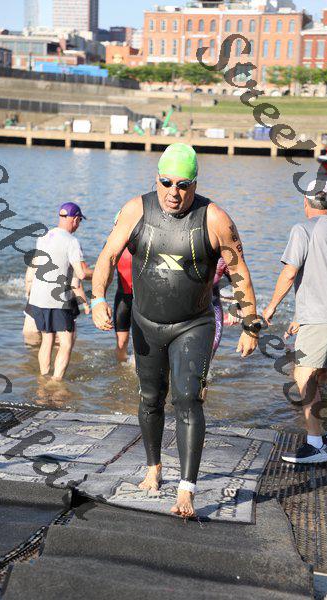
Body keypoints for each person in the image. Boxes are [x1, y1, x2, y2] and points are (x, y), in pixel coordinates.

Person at [92, 143, 260, 518]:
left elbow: (239, 273)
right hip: (145, 322)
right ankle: (153, 468)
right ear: (156, 179)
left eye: (183, 185)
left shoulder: (215, 219)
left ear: (194, 184)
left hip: (193, 324)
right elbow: (107, 255)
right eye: (166, 182)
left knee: (187, 398)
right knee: (150, 398)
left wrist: (251, 325)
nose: (174, 192)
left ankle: (186, 489)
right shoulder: (136, 210)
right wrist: (97, 298)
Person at [263, 180, 327, 464]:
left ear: (305, 202)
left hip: (319, 317)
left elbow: (290, 273)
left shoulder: (302, 229)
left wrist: (270, 307)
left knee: (304, 376)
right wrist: (301, 315)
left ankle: (315, 444)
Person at [26, 202, 90, 381]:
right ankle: (55, 382)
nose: (78, 225)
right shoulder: (72, 241)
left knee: (47, 340)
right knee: (66, 342)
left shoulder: (43, 237)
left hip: (38, 298)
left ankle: (43, 377)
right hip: (58, 299)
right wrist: (102, 272)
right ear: (75, 219)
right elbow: (81, 274)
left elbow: (35, 266)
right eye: (79, 221)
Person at [113, 211, 133, 362]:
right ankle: (120, 369)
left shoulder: (142, 242)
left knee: (145, 340)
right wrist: (99, 300)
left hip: (144, 300)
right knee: (121, 342)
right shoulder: (112, 245)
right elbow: (105, 273)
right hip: (123, 299)